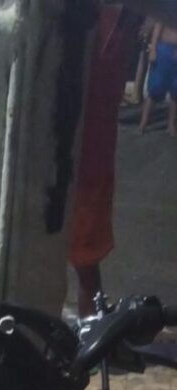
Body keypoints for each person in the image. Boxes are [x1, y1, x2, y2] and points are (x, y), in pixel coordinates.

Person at [69, 3, 139, 318]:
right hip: (82, 159)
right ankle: (91, 328)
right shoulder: (113, 19)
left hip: (84, 162)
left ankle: (91, 330)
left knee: (85, 264)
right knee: (85, 265)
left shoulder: (111, 20)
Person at [138, 20, 177, 133]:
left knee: (175, 90)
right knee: (155, 87)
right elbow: (157, 28)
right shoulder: (168, 11)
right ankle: (143, 123)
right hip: (163, 49)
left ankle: (171, 125)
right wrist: (153, 49)